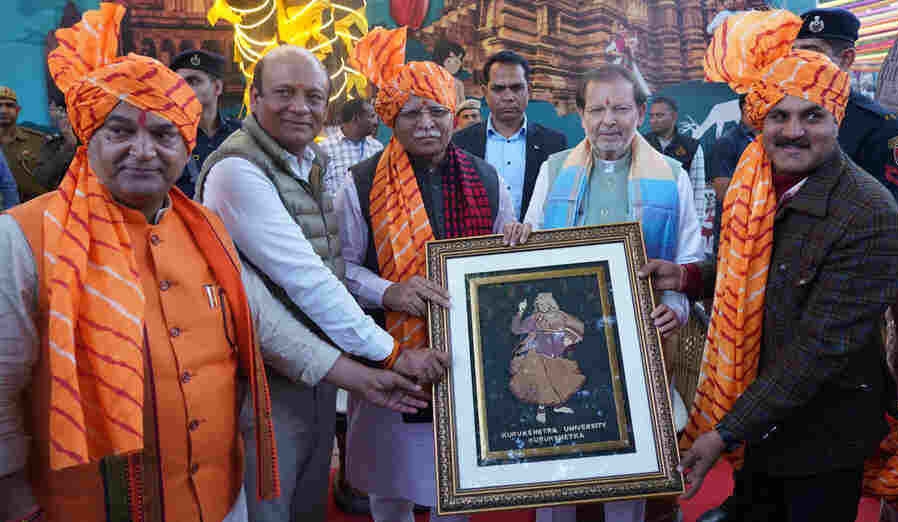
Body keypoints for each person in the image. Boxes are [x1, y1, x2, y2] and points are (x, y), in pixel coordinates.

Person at [0, 4, 427, 521]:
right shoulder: (23, 238)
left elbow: (266, 325)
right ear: (90, 137)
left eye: (164, 134)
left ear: (186, 144)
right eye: (120, 132)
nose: (143, 151)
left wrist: (363, 377)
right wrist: (17, 505)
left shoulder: (203, 228)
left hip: (217, 500)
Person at [640, 11, 898, 522]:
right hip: (757, 423)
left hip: (822, 437)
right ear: (759, 120)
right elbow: (757, 270)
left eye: (812, 116)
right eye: (778, 116)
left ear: (837, 119)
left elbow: (819, 349)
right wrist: (689, 277)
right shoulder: (757, 180)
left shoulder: (868, 213)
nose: (793, 132)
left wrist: (724, 432)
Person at [198, 43, 449, 522]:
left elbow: (325, 266)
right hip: (266, 382)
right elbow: (310, 280)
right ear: (253, 98)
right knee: (270, 507)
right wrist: (392, 352)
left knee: (306, 504)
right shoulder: (238, 170)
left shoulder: (304, 163)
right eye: (284, 93)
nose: (300, 107)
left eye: (313, 96)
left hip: (320, 372)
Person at [338, 26, 529, 522]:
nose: (426, 124)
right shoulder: (359, 183)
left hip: (467, 358)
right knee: (391, 485)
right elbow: (341, 270)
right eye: (411, 113)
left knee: (456, 482)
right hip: (389, 354)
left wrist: (517, 244)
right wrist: (390, 291)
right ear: (391, 118)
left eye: (437, 111)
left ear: (452, 114)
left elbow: (505, 266)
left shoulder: (487, 178)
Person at [524, 63, 704, 522]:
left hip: (640, 343)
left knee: (630, 465)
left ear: (640, 113)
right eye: (597, 109)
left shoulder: (672, 176)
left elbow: (688, 256)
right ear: (581, 115)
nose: (609, 120)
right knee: (558, 466)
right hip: (563, 343)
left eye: (621, 109)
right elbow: (530, 248)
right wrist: (516, 238)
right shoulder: (553, 171)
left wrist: (676, 308)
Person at [792, 8, 898, 216]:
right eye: (795, 52)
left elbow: (885, 214)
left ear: (846, 59)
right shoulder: (787, 116)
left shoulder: (881, 126)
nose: (799, 61)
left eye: (811, 52)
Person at [453, 51, 568, 221]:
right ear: (485, 92)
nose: (508, 97)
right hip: (478, 237)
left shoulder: (554, 144)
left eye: (516, 88)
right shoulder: (460, 143)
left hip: (536, 237)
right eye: (498, 89)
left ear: (528, 90)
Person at [170, 49, 241, 199]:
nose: (183, 89)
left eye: (193, 81)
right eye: (178, 83)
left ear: (217, 87)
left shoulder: (241, 134)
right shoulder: (169, 137)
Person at [645, 95, 709, 250]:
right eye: (651, 116)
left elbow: (697, 191)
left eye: (659, 115)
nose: (654, 120)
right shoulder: (641, 144)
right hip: (647, 220)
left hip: (680, 221)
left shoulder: (692, 147)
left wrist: (696, 228)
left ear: (674, 117)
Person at [510, 293, 585, 424]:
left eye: (544, 303)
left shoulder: (561, 316)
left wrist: (570, 339)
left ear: (550, 303)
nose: (541, 306)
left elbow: (577, 327)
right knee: (542, 381)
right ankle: (541, 410)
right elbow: (517, 330)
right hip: (537, 354)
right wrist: (520, 311)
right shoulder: (535, 318)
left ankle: (557, 406)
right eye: (539, 304)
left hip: (556, 355)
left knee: (557, 381)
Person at [0, 86, 76, 202]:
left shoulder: (39, 140)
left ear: (18, 110)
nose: (3, 110)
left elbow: (55, 174)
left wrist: (69, 143)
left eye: (9, 105)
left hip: (39, 207)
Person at [707, 95, 756, 257]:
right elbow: (722, 193)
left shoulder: (766, 141)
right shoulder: (727, 142)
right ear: (745, 107)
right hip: (733, 230)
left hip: (759, 228)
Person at [321, 97, 383, 198]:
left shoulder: (377, 148)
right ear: (356, 119)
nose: (376, 122)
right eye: (371, 116)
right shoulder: (325, 149)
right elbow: (321, 193)